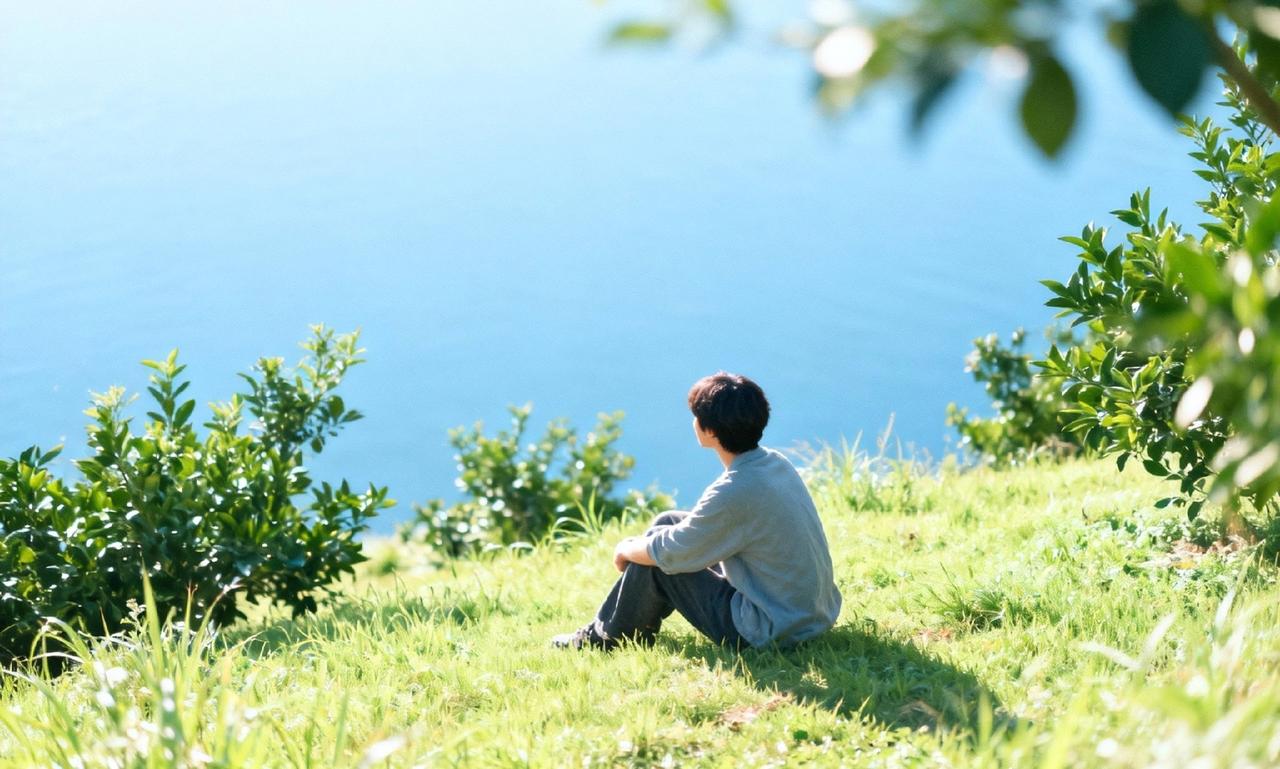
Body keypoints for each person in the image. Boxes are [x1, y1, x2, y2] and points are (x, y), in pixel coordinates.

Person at [552, 372, 842, 650]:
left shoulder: (734, 490)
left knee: (656, 561)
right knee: (666, 523)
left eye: (696, 417)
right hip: (809, 612)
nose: (693, 422)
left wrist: (626, 548)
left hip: (772, 628)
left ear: (711, 431)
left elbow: (669, 553)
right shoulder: (775, 464)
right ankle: (632, 624)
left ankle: (604, 638)